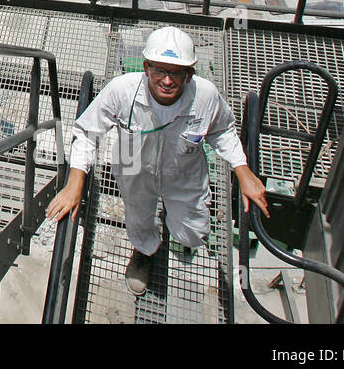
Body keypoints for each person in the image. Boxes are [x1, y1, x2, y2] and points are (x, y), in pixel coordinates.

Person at [46, 26, 269, 295]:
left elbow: (222, 130)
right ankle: (144, 250)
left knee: (193, 233)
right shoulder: (122, 91)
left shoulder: (205, 96)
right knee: (138, 217)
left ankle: (172, 222)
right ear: (146, 67)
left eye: (175, 72)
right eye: (159, 70)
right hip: (133, 165)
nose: (166, 80)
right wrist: (74, 182)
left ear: (189, 74)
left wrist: (242, 169)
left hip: (183, 171)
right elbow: (87, 132)